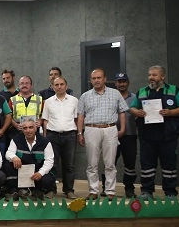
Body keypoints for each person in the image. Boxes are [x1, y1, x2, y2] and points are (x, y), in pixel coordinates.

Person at [129, 65, 179, 199]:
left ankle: (170, 192)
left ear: (162, 76)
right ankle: (146, 192)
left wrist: (171, 112)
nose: (151, 77)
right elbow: (132, 108)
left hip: (168, 135)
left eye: (154, 75)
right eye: (149, 75)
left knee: (169, 165)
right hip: (147, 136)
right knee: (147, 165)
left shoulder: (174, 90)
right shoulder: (142, 91)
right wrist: (137, 112)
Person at [77, 69, 128, 200]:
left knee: (110, 163)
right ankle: (93, 191)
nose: (96, 80)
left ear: (105, 79)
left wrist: (122, 129)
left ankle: (110, 191)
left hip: (110, 128)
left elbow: (122, 112)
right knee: (92, 163)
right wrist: (80, 133)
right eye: (94, 78)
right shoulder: (85, 96)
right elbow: (80, 115)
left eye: (99, 77)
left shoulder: (115, 93)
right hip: (91, 129)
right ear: (91, 80)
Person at [40, 76, 78, 198]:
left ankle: (69, 190)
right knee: (52, 164)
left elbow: (76, 119)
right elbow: (45, 120)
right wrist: (45, 137)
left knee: (69, 165)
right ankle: (52, 189)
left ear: (66, 86)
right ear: (53, 87)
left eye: (62, 84)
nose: (59, 87)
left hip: (70, 135)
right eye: (56, 85)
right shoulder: (48, 102)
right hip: (52, 136)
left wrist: (79, 133)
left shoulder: (74, 101)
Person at [4, 117, 56, 200]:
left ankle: (44, 191)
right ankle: (14, 191)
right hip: (22, 171)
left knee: (47, 180)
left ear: (35, 128)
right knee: (8, 165)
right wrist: (14, 157)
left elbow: (49, 161)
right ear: (22, 130)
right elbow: (8, 153)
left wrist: (40, 173)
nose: (28, 130)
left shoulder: (45, 142)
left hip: (37, 172)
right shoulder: (16, 139)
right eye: (25, 128)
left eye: (31, 127)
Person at [113, 73, 138, 198]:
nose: (121, 84)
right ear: (115, 83)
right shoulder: (111, 97)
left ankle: (129, 188)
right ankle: (107, 188)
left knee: (130, 163)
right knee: (110, 162)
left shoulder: (135, 98)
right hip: (112, 135)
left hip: (130, 135)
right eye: (119, 81)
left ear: (128, 83)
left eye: (124, 81)